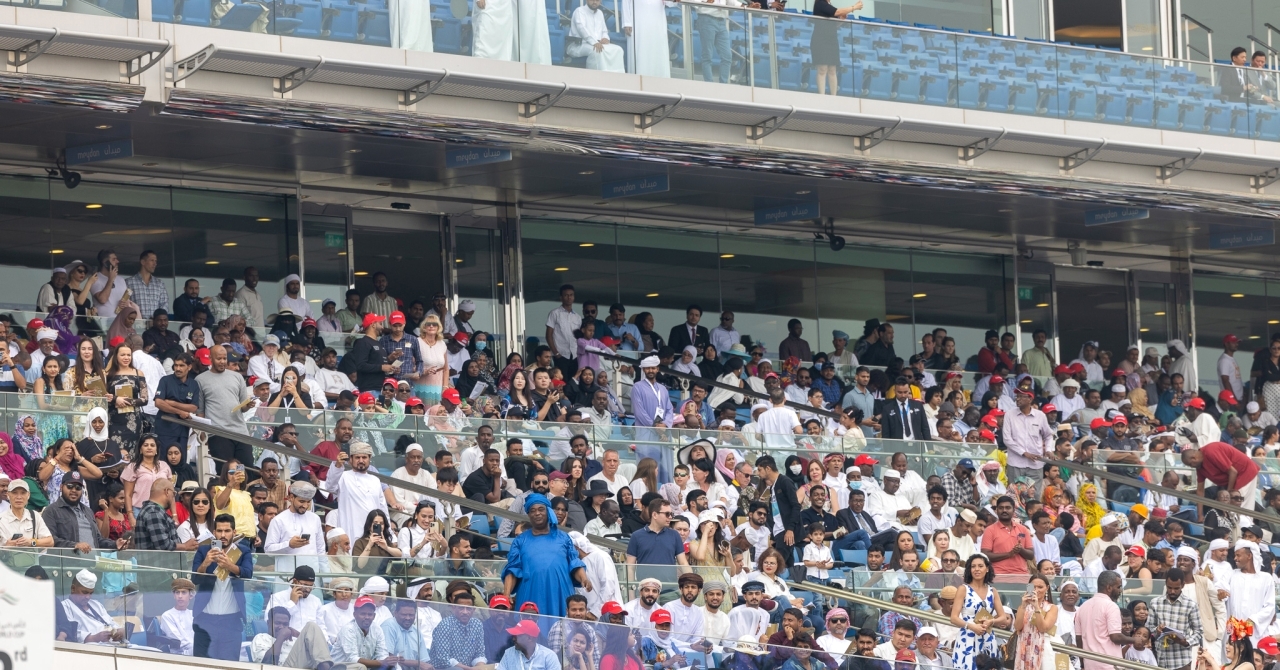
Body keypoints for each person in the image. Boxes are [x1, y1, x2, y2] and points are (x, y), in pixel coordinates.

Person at [502, 493, 590, 618]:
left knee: (562, 632)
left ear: (548, 511)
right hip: (530, 593)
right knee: (529, 634)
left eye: (541, 509)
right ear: (528, 514)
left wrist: (584, 579)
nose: (537, 513)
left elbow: (574, 563)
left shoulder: (564, 538)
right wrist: (506, 595)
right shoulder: (520, 541)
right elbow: (512, 569)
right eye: (532, 511)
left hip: (560, 593)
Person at [192, 513, 255, 660]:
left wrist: (230, 566)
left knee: (229, 665)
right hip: (205, 621)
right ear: (214, 532)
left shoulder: (243, 551)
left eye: (227, 531)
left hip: (231, 622)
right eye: (219, 531)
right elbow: (195, 578)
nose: (223, 535)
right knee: (202, 665)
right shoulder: (204, 551)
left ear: (234, 532)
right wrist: (206, 562)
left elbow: (248, 573)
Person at [197, 345, 254, 468]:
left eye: (224, 358)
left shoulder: (237, 377)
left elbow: (242, 407)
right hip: (218, 433)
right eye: (219, 359)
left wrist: (248, 405)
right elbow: (200, 411)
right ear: (210, 358)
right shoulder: (200, 380)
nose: (222, 362)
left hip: (240, 431)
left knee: (247, 468)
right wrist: (203, 434)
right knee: (224, 471)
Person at [42, 470, 124, 553]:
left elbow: (98, 539)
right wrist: (74, 545)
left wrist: (115, 544)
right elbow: (50, 540)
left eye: (78, 487)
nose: (74, 490)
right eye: (70, 486)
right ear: (61, 487)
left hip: (92, 563)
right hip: (67, 564)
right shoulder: (51, 511)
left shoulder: (88, 511)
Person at [950, 555, 1006, 670]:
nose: (977, 569)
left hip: (987, 636)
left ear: (987, 569)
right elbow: (954, 618)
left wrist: (991, 621)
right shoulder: (963, 589)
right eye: (973, 566)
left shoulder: (992, 591)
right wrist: (971, 626)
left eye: (980, 566)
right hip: (967, 636)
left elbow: (1003, 617)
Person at [1183, 442, 1261, 522]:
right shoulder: (1199, 467)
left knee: (1239, 507)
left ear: (1194, 458)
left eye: (1190, 464)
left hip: (1245, 473)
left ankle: (1243, 531)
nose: (1191, 467)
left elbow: (1233, 472)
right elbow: (1200, 491)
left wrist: (1228, 494)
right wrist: (1200, 515)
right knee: (1231, 509)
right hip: (1233, 480)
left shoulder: (1210, 451)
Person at [1075, 570, 1132, 670]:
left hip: (1089, 665)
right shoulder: (1111, 606)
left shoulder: (1082, 607)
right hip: (1109, 664)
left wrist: (1082, 664)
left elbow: (1079, 639)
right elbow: (1116, 637)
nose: (1120, 590)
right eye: (1118, 587)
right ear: (1109, 587)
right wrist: (1135, 640)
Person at [1225, 539, 1276, 646]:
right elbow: (1220, 588)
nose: (1235, 559)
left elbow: (1270, 607)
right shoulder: (1231, 574)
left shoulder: (1266, 578)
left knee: (1254, 659)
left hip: (1255, 632)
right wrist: (1220, 592)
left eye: (1238, 555)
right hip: (1233, 631)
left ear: (1249, 556)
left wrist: (1252, 620)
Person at [60, 569, 126, 644]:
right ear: (73, 589)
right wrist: (93, 638)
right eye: (85, 592)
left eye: (91, 593)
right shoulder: (64, 607)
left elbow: (110, 622)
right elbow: (69, 632)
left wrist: (119, 631)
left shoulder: (96, 605)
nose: (88, 597)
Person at [1013, 573, 1058, 670]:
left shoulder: (1052, 608)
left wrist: (1037, 607)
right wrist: (1023, 606)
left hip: (1041, 648)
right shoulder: (1022, 606)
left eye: (1040, 587)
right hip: (1023, 646)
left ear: (1047, 588)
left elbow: (1043, 628)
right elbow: (1017, 627)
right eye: (1033, 587)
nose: (1036, 590)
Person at [332, 595, 390, 668]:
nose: (367, 617)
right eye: (363, 614)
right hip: (340, 667)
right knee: (360, 667)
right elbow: (352, 659)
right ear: (354, 615)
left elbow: (382, 654)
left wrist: (386, 662)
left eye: (370, 614)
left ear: (374, 616)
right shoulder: (348, 629)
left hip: (363, 668)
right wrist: (382, 662)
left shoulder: (377, 629)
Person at [622, 0, 672, 76]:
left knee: (658, 51)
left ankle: (660, 82)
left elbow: (671, 3)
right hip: (638, 24)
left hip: (657, 24)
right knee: (639, 51)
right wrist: (627, 22)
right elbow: (625, 2)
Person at [132, 478, 179, 550]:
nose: (173, 497)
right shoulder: (153, 512)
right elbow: (163, 545)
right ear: (167, 492)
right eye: (173, 493)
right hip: (158, 561)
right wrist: (185, 546)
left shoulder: (154, 510)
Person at [160, 578, 197, 656]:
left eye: (183, 592)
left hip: (196, 651)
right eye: (177, 592)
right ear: (174, 595)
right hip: (179, 655)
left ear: (191, 595)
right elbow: (178, 641)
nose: (180, 596)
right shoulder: (167, 616)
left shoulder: (193, 614)